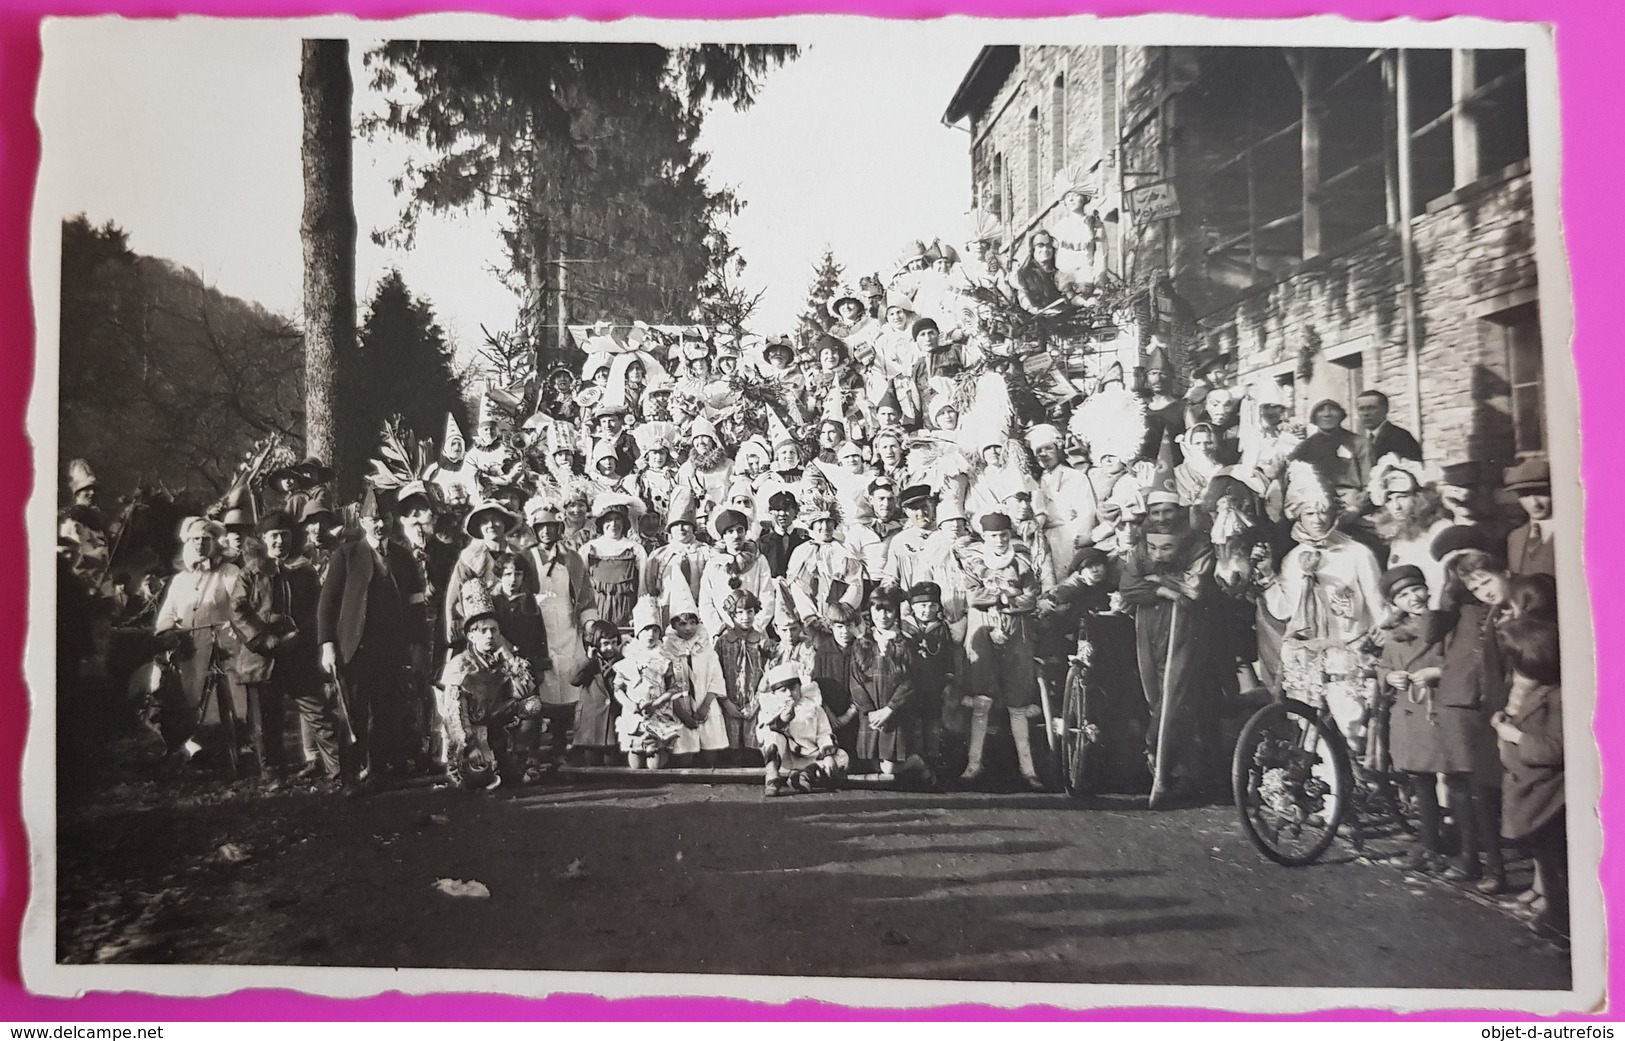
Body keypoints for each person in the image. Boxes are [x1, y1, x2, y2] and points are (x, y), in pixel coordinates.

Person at [317, 487, 424, 789]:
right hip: (355, 650)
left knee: (385, 712)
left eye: (385, 519)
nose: (380, 525)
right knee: (352, 714)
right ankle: (349, 775)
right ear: (363, 522)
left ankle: (377, 769)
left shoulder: (404, 558)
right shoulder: (346, 555)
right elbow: (327, 605)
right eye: (374, 519)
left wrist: (417, 646)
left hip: (391, 651)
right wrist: (327, 647)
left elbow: (416, 605)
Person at [1118, 520, 1220, 807]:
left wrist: (1159, 580)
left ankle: (1159, 763)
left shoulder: (1199, 550)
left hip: (1183, 626)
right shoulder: (1140, 554)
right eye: (1152, 547)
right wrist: (1164, 591)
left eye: (1166, 547)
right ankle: (1180, 770)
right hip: (1148, 625)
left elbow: (1195, 590)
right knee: (1155, 696)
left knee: (1173, 696)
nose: (1158, 555)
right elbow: (1128, 588)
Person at [227, 510, 330, 788]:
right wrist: (264, 639)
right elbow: (238, 612)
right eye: (274, 536)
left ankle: (337, 766)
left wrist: (301, 635)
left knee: (318, 710)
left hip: (298, 654)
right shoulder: (250, 573)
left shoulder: (304, 571)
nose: (279, 542)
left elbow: (316, 609)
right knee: (266, 721)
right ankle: (273, 773)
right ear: (263, 539)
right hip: (262, 658)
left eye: (284, 536)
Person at [1492, 617, 1567, 946]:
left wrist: (1516, 736)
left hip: (1549, 795)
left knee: (1557, 860)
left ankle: (1564, 925)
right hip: (1529, 790)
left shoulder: (1558, 696)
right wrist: (1505, 721)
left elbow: (1556, 747)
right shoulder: (1528, 686)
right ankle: (1555, 915)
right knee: (1545, 856)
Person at [1373, 565, 1450, 875]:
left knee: (1455, 781)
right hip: (1409, 718)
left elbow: (1456, 662)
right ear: (1395, 604)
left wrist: (1437, 673)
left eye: (1416, 589)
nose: (1412, 598)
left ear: (1427, 589)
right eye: (1403, 595)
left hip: (1437, 713)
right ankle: (1429, 844)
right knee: (1421, 782)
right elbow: (1382, 668)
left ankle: (1441, 844)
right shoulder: (1393, 636)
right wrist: (1390, 677)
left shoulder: (1444, 625)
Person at [961, 511, 1044, 789]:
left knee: (1018, 701)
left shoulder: (1021, 561)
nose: (999, 541)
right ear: (984, 537)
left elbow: (1031, 599)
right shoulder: (974, 562)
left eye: (1004, 536)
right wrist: (1006, 594)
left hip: (1015, 632)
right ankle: (974, 763)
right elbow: (973, 596)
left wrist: (1000, 599)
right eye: (994, 536)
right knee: (982, 698)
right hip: (983, 631)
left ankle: (1028, 768)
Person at [153, 516, 245, 762]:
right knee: (188, 695)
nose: (200, 544)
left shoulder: (228, 572)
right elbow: (167, 615)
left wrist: (231, 630)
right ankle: (193, 745)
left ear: (215, 543)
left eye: (206, 539)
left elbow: (241, 606)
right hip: (188, 648)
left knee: (221, 697)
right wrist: (168, 633)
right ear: (187, 542)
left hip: (222, 645)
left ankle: (231, 744)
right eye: (195, 539)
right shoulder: (181, 579)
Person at [439, 581, 540, 791]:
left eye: (494, 631)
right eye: (483, 631)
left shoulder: (501, 659)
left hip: (497, 728)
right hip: (471, 735)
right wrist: (470, 746)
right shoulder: (459, 667)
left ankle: (517, 759)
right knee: (479, 777)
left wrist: (508, 656)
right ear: (471, 635)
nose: (489, 636)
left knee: (533, 705)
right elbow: (455, 717)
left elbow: (526, 690)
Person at [756, 661, 849, 797]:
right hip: (786, 757)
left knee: (843, 757)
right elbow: (763, 733)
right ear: (775, 694)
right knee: (771, 735)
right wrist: (783, 719)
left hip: (811, 756)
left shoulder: (814, 707)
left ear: (800, 687)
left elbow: (824, 733)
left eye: (793, 688)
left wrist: (828, 755)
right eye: (783, 691)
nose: (789, 694)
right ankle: (772, 777)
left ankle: (804, 775)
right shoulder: (771, 708)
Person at [613, 600, 686, 770]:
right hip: (635, 712)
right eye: (646, 629)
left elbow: (676, 686)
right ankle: (638, 748)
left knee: (654, 765)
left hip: (657, 710)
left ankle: (658, 751)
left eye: (654, 630)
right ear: (638, 631)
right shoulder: (629, 656)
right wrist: (629, 704)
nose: (650, 634)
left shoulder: (666, 656)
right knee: (635, 765)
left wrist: (657, 703)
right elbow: (618, 687)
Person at [664, 596, 730, 766]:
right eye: (682, 624)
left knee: (710, 758)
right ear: (673, 625)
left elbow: (716, 678)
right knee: (685, 757)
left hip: (705, 703)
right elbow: (666, 684)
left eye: (692, 623)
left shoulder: (705, 646)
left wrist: (705, 705)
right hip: (680, 707)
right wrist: (683, 714)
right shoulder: (667, 649)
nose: (688, 628)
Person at [714, 589, 772, 762]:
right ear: (732, 614)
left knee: (753, 752)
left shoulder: (762, 640)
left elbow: (768, 673)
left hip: (755, 704)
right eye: (739, 612)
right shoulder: (723, 641)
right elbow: (715, 674)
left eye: (750, 611)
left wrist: (756, 702)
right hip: (729, 703)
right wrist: (725, 702)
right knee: (731, 754)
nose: (745, 617)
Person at [581, 496, 648, 630]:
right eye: (608, 520)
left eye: (617, 519)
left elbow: (642, 589)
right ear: (601, 523)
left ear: (624, 523)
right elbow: (581, 586)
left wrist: (639, 615)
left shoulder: (635, 549)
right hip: (597, 612)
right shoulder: (588, 549)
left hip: (626, 612)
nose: (613, 524)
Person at [569, 620, 623, 766]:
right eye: (605, 643)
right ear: (596, 644)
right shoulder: (589, 662)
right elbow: (573, 679)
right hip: (590, 725)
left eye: (614, 642)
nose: (610, 647)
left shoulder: (622, 662)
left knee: (611, 763)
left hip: (613, 724)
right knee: (591, 763)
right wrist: (588, 659)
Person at [1290, 399, 1372, 493]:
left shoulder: (1359, 442)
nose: (1327, 414)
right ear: (1314, 417)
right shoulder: (1304, 447)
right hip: (1315, 497)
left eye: (1332, 409)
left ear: (1341, 415)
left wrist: (1360, 502)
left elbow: (1368, 482)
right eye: (1321, 410)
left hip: (1349, 495)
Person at [1503, 457, 1556, 578]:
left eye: (1541, 493)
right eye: (1525, 495)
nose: (1534, 503)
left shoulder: (1573, 533)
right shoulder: (1515, 537)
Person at [1356, 389, 1423, 464]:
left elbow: (1414, 470)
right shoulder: (1359, 440)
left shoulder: (1401, 438)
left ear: (1385, 409)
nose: (1365, 413)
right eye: (1361, 409)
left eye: (1371, 408)